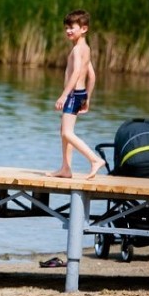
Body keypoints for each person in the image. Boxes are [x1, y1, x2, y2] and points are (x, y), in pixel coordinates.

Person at [47, 9, 105, 179]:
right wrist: (88, 98)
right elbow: (92, 76)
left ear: (84, 29)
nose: (68, 31)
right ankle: (66, 168)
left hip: (72, 95)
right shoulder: (85, 48)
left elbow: (76, 72)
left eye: (72, 27)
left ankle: (94, 160)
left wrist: (64, 95)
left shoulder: (78, 50)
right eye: (66, 28)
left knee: (67, 133)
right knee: (64, 131)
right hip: (79, 94)